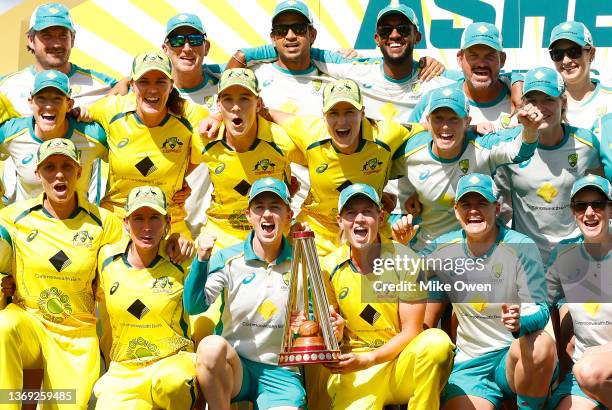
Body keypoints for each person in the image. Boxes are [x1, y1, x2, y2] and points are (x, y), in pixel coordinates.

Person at [184, 178, 342, 410]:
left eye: (275, 207)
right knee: (209, 347)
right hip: (235, 367)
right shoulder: (228, 259)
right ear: (248, 215)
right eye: (259, 207)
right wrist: (200, 260)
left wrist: (331, 328)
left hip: (281, 372)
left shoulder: (302, 262)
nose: (267, 214)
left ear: (289, 215)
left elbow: (310, 323)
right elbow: (194, 305)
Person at [0, 138, 123, 409]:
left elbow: (129, 268)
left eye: (67, 166)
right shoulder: (13, 218)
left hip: (75, 335)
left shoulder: (105, 223)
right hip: (29, 323)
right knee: (3, 326)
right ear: (37, 174)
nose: (59, 174)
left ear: (79, 172)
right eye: (50, 167)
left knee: (67, 404)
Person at [421, 173, 556, 410]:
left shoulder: (521, 246)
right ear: (456, 211)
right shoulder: (442, 248)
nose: (473, 211)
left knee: (541, 343)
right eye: (466, 204)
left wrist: (519, 322)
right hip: (471, 365)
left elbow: (541, 310)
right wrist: (401, 243)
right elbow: (401, 271)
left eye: (481, 203)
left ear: (496, 207)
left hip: (512, 358)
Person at [321, 183, 454, 409]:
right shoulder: (327, 267)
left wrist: (370, 359)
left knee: (437, 343)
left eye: (367, 212)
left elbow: (412, 330)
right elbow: (328, 332)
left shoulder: (408, 260)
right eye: (351, 213)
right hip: (355, 370)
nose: (359, 219)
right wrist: (336, 331)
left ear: (381, 218)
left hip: (399, 363)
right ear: (339, 221)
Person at [258, 78, 423, 257]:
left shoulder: (386, 135)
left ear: (362, 113)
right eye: (334, 113)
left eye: (350, 112)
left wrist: (418, 190)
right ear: (324, 116)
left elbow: (430, 132)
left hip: (368, 228)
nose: (342, 121)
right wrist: (221, 117)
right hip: (318, 231)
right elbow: (266, 113)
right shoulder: (310, 131)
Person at [390, 86, 541, 251]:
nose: (445, 126)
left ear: (467, 122)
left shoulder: (482, 146)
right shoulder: (410, 150)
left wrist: (530, 129)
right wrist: (388, 197)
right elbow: (377, 166)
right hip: (428, 250)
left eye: (454, 119)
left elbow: (520, 151)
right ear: (428, 121)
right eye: (438, 118)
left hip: (477, 252)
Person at [83, 50, 208, 237]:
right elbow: (69, 117)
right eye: (144, 82)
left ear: (171, 85)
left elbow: (230, 119)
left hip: (169, 220)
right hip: (117, 218)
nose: (152, 89)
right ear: (132, 85)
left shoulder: (189, 115)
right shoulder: (111, 109)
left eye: (160, 82)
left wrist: (181, 173)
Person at [93, 186, 197, 409]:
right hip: (125, 371)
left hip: (172, 361)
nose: (147, 227)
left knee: (173, 382)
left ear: (168, 222)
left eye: (155, 218)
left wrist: (183, 238)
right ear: (125, 223)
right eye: (138, 218)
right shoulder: (106, 259)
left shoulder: (182, 259)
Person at [494, 67, 602, 263]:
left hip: (576, 258)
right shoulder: (509, 147)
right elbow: (499, 210)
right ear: (523, 105)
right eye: (532, 101)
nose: (540, 108)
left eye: (548, 100)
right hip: (527, 260)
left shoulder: (586, 144)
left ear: (563, 102)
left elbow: (601, 201)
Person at [191, 67, 304, 251]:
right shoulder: (204, 139)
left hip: (272, 233)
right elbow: (178, 169)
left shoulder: (282, 140)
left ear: (258, 103)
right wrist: (181, 191)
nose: (236, 107)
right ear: (218, 104)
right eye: (228, 99)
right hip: (221, 232)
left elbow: (322, 160)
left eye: (244, 98)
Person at [547, 175, 612, 409]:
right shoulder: (564, 254)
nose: (590, 212)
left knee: (588, 370)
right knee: (585, 371)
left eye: (598, 204)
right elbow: (542, 301)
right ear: (573, 212)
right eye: (581, 206)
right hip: (583, 371)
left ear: (611, 209)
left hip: (594, 366)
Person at [0, 70, 107, 203]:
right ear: (30, 102)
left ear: (69, 105)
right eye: (41, 98)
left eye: (57, 99)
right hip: (27, 223)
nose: (49, 106)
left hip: (78, 223)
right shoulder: (11, 132)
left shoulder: (93, 135)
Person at [162, 13, 223, 238]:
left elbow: (277, 56)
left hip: (217, 225)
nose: (186, 48)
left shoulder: (227, 91)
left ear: (206, 47)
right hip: (167, 221)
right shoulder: (151, 95)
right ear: (165, 48)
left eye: (195, 40)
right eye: (177, 41)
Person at [548, 21, 612, 131]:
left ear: (591, 53)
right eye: (557, 54)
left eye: (574, 51)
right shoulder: (544, 105)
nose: (566, 61)